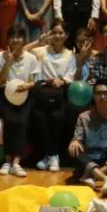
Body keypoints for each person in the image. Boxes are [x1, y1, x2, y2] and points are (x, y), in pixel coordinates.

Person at [30, 20, 77, 173]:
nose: (57, 35)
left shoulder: (70, 54)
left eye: (60, 33)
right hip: (42, 92)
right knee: (39, 116)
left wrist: (61, 81)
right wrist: (38, 42)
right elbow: (22, 50)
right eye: (54, 32)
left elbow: (70, 76)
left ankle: (51, 155)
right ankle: (51, 155)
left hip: (59, 93)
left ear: (66, 35)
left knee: (58, 117)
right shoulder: (42, 50)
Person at [0, 25, 39, 177]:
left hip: (24, 95)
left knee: (21, 122)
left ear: (24, 39)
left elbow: (32, 81)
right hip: (5, 95)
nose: (15, 40)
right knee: (9, 121)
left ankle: (16, 163)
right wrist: (8, 62)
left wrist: (27, 86)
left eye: (19, 37)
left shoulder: (31, 58)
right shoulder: (0, 56)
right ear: (8, 39)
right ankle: (7, 161)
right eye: (12, 37)